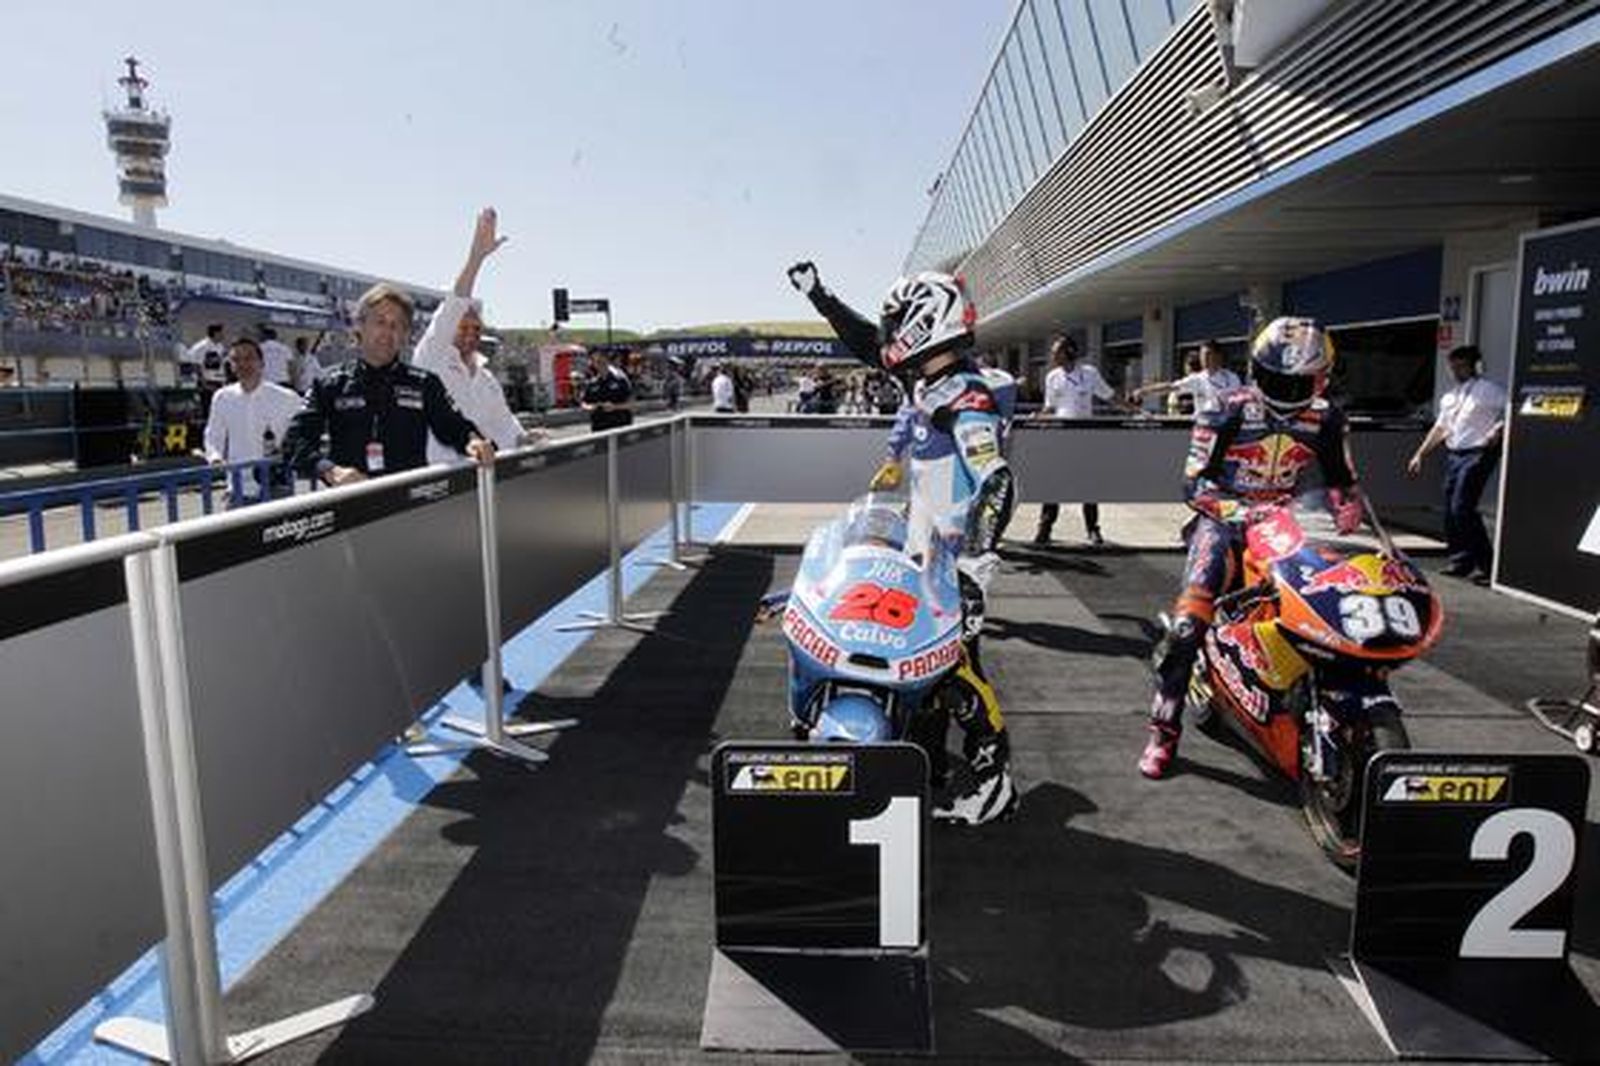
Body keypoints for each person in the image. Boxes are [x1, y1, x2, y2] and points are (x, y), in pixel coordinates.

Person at [789, 260, 1017, 826]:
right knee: (923, 664)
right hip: (925, 542)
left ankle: (995, 781)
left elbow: (995, 478)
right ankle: (929, 765)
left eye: (897, 321)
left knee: (958, 668)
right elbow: (867, 342)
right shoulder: (929, 383)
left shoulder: (966, 396)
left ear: (925, 321)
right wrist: (822, 297)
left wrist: (977, 561)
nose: (889, 334)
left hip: (957, 555)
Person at [1140, 317, 1364, 779]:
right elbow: (1193, 484)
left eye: (1295, 379)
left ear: (1319, 376)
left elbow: (1342, 479)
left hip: (1289, 526)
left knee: (1326, 612)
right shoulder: (1227, 407)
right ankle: (1164, 730)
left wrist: (1348, 505)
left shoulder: (1328, 417)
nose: (1283, 386)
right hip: (1224, 522)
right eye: (1274, 376)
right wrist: (1238, 512)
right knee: (1186, 629)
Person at [283, 283, 494, 486]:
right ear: (361, 326)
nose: (387, 331)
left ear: (404, 335)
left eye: (397, 325)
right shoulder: (329, 383)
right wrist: (330, 471)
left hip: (410, 502)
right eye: (380, 322)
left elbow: (454, 426)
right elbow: (294, 441)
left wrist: (472, 442)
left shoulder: (424, 383)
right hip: (350, 502)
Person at [412, 208, 540, 463]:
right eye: (463, 327)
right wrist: (476, 259)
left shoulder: (486, 377)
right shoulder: (431, 359)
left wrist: (525, 439)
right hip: (443, 483)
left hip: (482, 481)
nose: (471, 335)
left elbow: (504, 423)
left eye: (476, 329)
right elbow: (453, 306)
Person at [1406, 345, 1507, 583]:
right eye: (1453, 366)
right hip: (1455, 454)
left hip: (1479, 453)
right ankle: (1461, 561)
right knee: (1451, 509)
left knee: (1463, 507)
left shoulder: (1489, 390)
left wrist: (1498, 429)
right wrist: (1419, 454)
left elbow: (1509, 409)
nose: (1456, 371)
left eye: (1461, 366)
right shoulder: (1450, 396)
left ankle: (1488, 567)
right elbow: (1441, 428)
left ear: (1475, 366)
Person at [1034, 335, 1139, 546]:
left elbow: (1110, 396)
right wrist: (1036, 419)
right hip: (1060, 437)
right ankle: (1045, 528)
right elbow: (1050, 408)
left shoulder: (1089, 374)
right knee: (1052, 483)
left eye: (1057, 352)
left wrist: (1136, 412)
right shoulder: (1052, 376)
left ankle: (1092, 529)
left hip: (1085, 435)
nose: (1053, 356)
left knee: (1088, 484)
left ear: (1070, 352)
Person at [202, 337, 305, 505]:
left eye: (249, 358)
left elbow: (304, 433)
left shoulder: (287, 398)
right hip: (238, 488)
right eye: (236, 360)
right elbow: (214, 435)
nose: (243, 364)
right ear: (231, 366)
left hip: (277, 487)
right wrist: (215, 457)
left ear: (261, 363)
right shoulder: (222, 398)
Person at [1131, 339, 1243, 417]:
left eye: (1208, 354)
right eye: (1202, 355)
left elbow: (1239, 402)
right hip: (1202, 429)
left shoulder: (1231, 378)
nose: (1204, 358)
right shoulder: (1197, 379)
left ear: (1218, 356)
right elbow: (1171, 387)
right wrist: (1144, 391)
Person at [581, 348, 633, 431]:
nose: (600, 364)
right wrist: (590, 407)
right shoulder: (591, 383)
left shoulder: (620, 380)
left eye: (602, 361)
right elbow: (584, 402)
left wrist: (614, 407)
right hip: (599, 427)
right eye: (597, 362)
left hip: (619, 426)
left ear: (607, 361)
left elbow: (631, 404)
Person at [183, 323, 227, 390]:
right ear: (216, 333)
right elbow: (196, 365)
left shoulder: (220, 347)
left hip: (218, 381)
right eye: (221, 333)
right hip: (206, 383)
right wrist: (204, 383)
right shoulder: (202, 347)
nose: (223, 335)